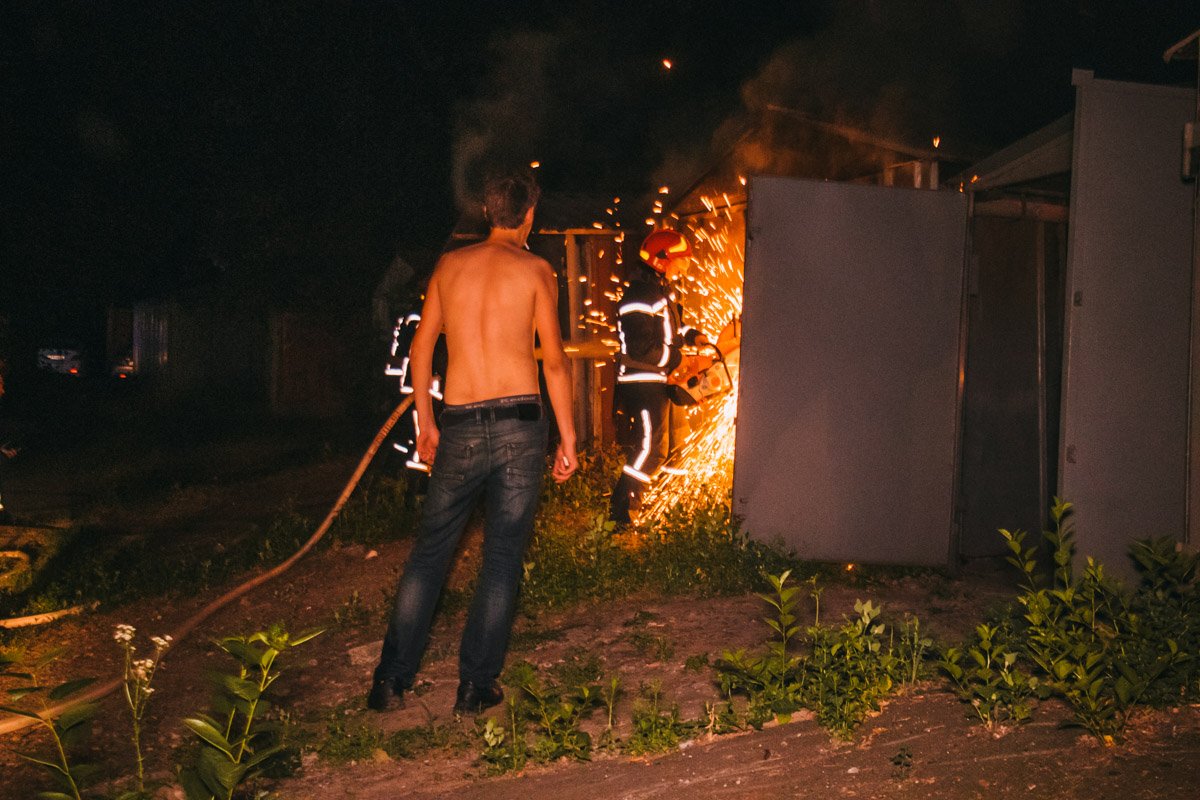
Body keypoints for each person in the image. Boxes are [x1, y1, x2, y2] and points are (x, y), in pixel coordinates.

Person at [368, 168, 577, 715]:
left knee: (430, 553)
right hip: (518, 425)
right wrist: (569, 438)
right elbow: (553, 362)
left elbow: (419, 351)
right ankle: (474, 686)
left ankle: (389, 682)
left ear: (488, 212)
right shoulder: (535, 270)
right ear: (529, 214)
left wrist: (426, 423)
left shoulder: (449, 267)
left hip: (458, 423)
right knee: (502, 557)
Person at [608, 229, 711, 526]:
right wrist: (683, 361)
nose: (684, 268)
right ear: (663, 260)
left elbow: (671, 332)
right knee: (648, 449)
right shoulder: (639, 297)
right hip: (640, 382)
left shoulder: (661, 293)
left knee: (656, 449)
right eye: (681, 262)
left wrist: (697, 337)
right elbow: (643, 348)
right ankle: (621, 509)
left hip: (654, 380)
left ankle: (630, 503)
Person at [384, 290, 448, 491]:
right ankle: (414, 486)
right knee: (418, 437)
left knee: (413, 436)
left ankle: (408, 484)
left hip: (418, 389)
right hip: (421, 389)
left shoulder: (411, 316)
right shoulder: (425, 317)